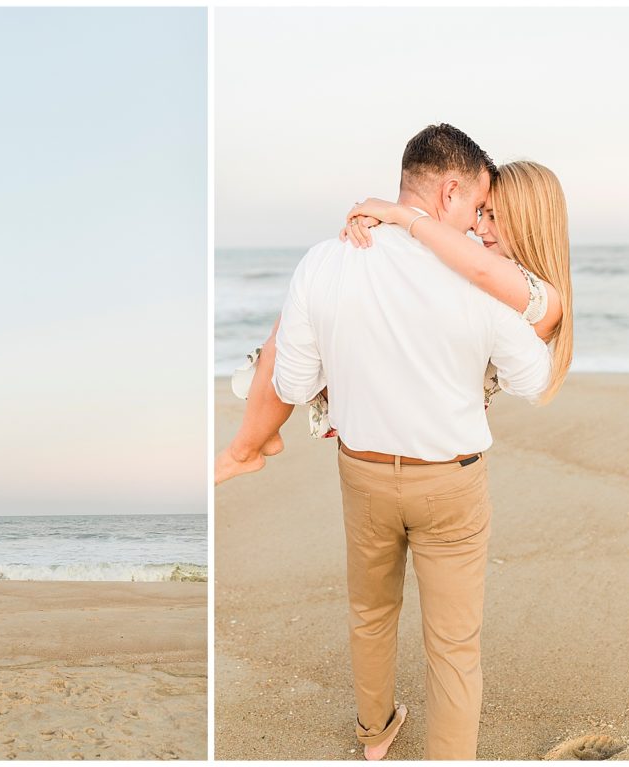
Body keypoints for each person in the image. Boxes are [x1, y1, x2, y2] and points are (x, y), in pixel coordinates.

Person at [271, 124, 553, 760]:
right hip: (450, 481)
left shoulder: (325, 259)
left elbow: (291, 380)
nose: (481, 225)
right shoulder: (480, 279)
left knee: (371, 614)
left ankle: (374, 738)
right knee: (453, 644)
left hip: (364, 475)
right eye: (479, 207)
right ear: (450, 191)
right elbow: (532, 381)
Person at [214, 163, 572, 487]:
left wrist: (399, 215)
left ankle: (244, 450)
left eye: (491, 215)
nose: (478, 227)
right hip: (402, 399)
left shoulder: (540, 296)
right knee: (300, 309)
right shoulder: (499, 277)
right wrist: (391, 231)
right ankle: (253, 443)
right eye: (480, 213)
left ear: (528, 222)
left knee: (301, 311)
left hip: (417, 415)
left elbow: (479, 269)